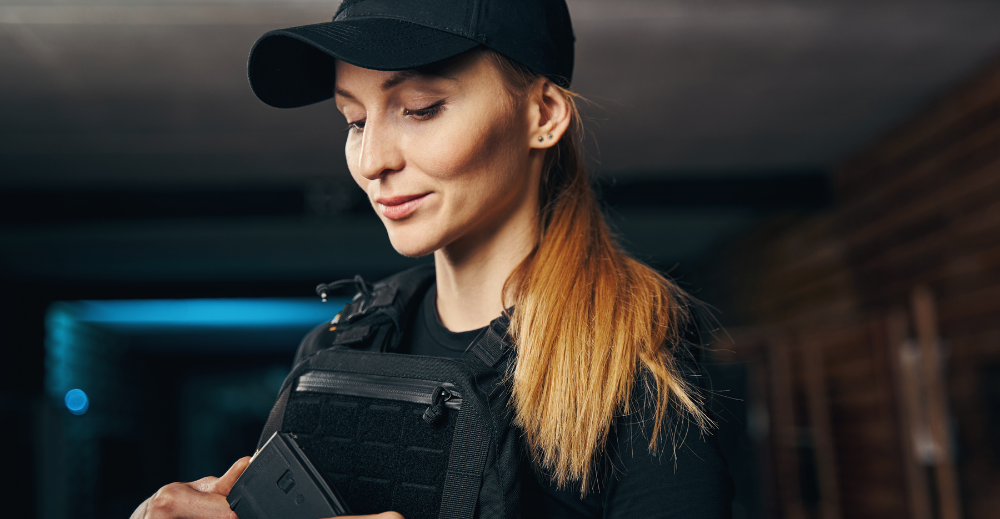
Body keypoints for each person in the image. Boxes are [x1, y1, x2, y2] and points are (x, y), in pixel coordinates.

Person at [131, 1, 734, 518]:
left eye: (419, 108)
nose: (372, 161)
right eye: (355, 120)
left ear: (543, 114)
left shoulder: (633, 359)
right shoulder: (337, 347)